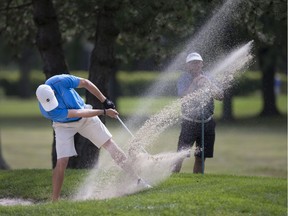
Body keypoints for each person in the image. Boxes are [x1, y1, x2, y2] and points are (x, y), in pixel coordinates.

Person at [36, 74, 151, 201]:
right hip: (64, 125)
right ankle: (55, 200)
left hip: (84, 113)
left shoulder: (60, 81)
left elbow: (85, 83)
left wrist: (104, 101)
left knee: (110, 145)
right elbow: (78, 114)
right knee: (62, 161)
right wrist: (104, 112)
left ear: (52, 91)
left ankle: (138, 180)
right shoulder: (48, 111)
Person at [173, 52, 224, 173]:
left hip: (207, 123)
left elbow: (220, 96)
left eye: (197, 63)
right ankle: (173, 178)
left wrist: (209, 84)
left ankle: (197, 181)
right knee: (180, 156)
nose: (195, 65)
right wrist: (194, 82)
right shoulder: (183, 78)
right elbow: (183, 97)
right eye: (192, 63)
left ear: (202, 64)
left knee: (201, 157)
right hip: (189, 123)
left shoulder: (209, 77)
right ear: (187, 66)